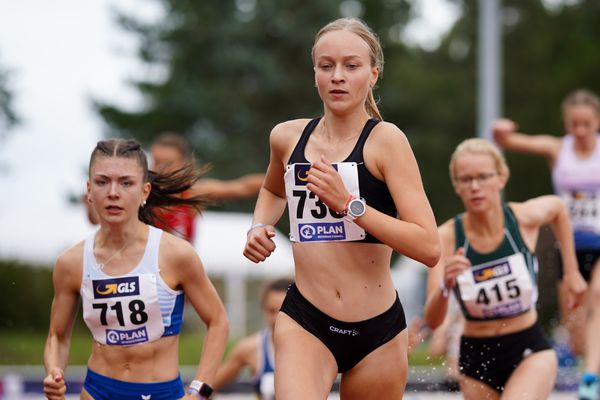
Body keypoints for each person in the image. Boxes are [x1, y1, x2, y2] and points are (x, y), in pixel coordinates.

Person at [243, 17, 440, 399]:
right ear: (314, 73)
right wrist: (258, 226)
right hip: (306, 320)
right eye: (326, 66)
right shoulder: (286, 137)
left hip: (378, 331)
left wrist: (350, 205)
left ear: (373, 75)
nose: (338, 76)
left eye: (351, 66)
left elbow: (428, 247)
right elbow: (272, 189)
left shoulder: (386, 142)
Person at [43, 138, 229, 400]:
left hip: (162, 393)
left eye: (126, 183)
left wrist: (200, 390)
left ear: (144, 191)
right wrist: (54, 371)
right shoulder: (70, 263)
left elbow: (218, 321)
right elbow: (57, 336)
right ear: (88, 190)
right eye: (102, 181)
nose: (113, 192)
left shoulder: (176, 254)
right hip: (98, 392)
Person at [423, 138, 587, 399]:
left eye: (483, 177)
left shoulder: (522, 219)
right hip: (476, 356)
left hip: (528, 347)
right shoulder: (446, 238)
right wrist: (446, 285)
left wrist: (571, 271)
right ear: (457, 186)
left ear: (501, 178)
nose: (475, 187)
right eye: (466, 179)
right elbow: (433, 319)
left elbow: (557, 208)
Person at [493, 88, 600, 399]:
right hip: (569, 245)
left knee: (597, 296)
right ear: (567, 124)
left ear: (597, 122)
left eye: (587, 124)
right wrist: (502, 130)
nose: (580, 131)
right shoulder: (558, 149)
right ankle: (584, 360)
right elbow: (509, 142)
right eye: (574, 124)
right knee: (575, 325)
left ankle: (591, 375)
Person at [150, 132, 265, 242]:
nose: (161, 169)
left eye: (168, 164)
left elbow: (242, 187)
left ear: (183, 164)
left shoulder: (193, 192)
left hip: (180, 261)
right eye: (156, 162)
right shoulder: (142, 194)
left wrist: (281, 175)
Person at [213, 277, 293, 399]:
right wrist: (194, 395)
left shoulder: (316, 346)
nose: (278, 318)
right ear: (263, 310)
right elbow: (210, 385)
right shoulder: (251, 348)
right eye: (272, 311)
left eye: (284, 311)